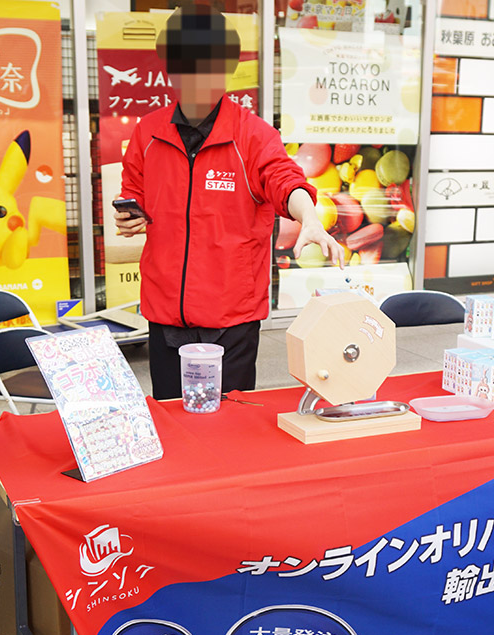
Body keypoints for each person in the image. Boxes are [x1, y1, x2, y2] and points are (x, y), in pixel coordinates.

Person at [115, 7, 343, 400]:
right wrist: (129, 215)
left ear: (227, 68)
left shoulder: (253, 136)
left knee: (232, 422)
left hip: (232, 318)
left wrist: (308, 217)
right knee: (171, 416)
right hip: (165, 312)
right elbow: (134, 189)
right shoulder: (147, 133)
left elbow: (285, 182)